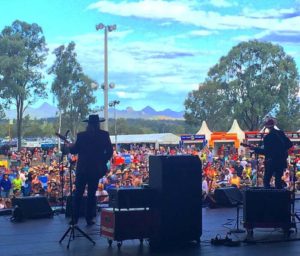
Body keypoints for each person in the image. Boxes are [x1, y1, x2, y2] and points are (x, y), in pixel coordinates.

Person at [68, 114, 113, 225]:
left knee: (78, 194)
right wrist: (102, 161)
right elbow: (110, 152)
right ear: (98, 124)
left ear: (88, 124)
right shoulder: (104, 135)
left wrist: (70, 146)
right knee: (91, 194)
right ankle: (89, 218)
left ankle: (74, 219)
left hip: (82, 169)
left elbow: (75, 150)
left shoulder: (82, 136)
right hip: (95, 169)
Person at [251, 118, 293, 189]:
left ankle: (268, 198)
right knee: (278, 180)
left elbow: (266, 152)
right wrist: (282, 151)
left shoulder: (268, 137)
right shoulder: (281, 133)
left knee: (266, 180)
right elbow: (290, 144)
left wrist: (255, 149)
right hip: (281, 161)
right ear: (274, 125)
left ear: (267, 127)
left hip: (271, 161)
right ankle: (279, 198)